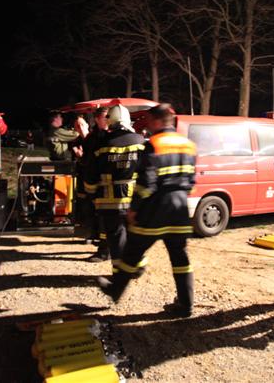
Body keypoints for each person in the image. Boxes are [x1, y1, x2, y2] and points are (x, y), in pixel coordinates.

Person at [98, 103, 197, 318]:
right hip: (180, 210)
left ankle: (115, 290)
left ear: (159, 121)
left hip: (155, 210)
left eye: (150, 121)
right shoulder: (188, 145)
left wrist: (134, 209)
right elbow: (191, 180)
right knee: (180, 258)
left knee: (132, 252)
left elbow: (146, 183)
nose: (148, 125)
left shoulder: (155, 144)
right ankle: (186, 305)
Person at [84, 105, 145, 274]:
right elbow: (148, 172)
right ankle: (138, 265)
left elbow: (90, 175)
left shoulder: (101, 145)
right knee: (135, 234)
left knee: (116, 237)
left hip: (109, 203)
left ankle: (120, 272)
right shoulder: (140, 142)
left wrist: (91, 194)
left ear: (110, 121)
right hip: (135, 201)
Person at [80, 107, 111, 261]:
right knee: (94, 213)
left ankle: (105, 249)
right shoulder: (91, 138)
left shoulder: (112, 136)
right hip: (95, 181)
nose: (108, 120)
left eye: (109, 117)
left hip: (109, 184)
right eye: (105, 117)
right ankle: (98, 241)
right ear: (97, 119)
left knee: (106, 218)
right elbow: (87, 160)